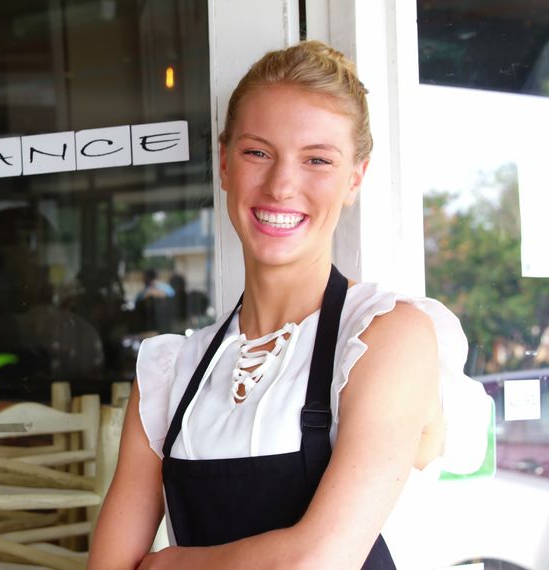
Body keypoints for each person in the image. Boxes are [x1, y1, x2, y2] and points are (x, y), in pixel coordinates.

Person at [89, 41, 486, 569]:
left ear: (355, 179)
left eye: (317, 160)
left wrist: (168, 564)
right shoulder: (171, 373)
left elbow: (317, 562)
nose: (281, 185)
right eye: (258, 152)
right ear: (225, 163)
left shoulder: (385, 337)